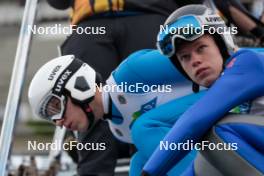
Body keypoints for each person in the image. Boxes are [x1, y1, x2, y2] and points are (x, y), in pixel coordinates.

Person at [45, 0, 181, 174]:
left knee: (156, 105)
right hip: (91, 24)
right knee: (85, 102)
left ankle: (163, 167)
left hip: (151, 12)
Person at [28, 50, 206, 175]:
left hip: (230, 104)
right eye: (50, 116)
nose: (58, 122)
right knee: (139, 164)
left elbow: (210, 59)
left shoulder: (131, 73)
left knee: (143, 129)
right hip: (211, 130)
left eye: (55, 107)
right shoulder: (119, 129)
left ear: (77, 86)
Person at [140, 4, 264, 176]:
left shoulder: (248, 62)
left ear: (222, 44)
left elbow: (194, 121)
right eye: (185, 57)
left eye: (201, 48)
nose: (195, 61)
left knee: (213, 132)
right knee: (205, 162)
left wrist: (148, 173)